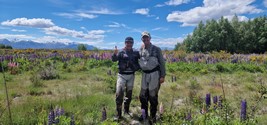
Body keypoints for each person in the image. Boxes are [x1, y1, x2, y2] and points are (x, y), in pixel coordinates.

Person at [138, 31, 166, 123]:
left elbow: (162, 63)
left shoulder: (156, 49)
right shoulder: (140, 49)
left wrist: (162, 76)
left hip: (154, 74)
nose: (145, 39)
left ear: (150, 38)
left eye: (147, 37)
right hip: (144, 74)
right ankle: (144, 114)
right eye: (143, 38)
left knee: (153, 96)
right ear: (142, 39)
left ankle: (153, 116)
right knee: (142, 95)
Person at [112, 37, 140, 121]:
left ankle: (126, 111)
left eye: (130, 43)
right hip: (122, 75)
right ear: (125, 43)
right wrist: (114, 54)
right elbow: (114, 60)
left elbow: (141, 59)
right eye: (127, 42)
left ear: (133, 43)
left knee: (129, 94)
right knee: (119, 94)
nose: (129, 44)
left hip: (131, 75)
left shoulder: (135, 52)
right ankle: (118, 114)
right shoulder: (121, 51)